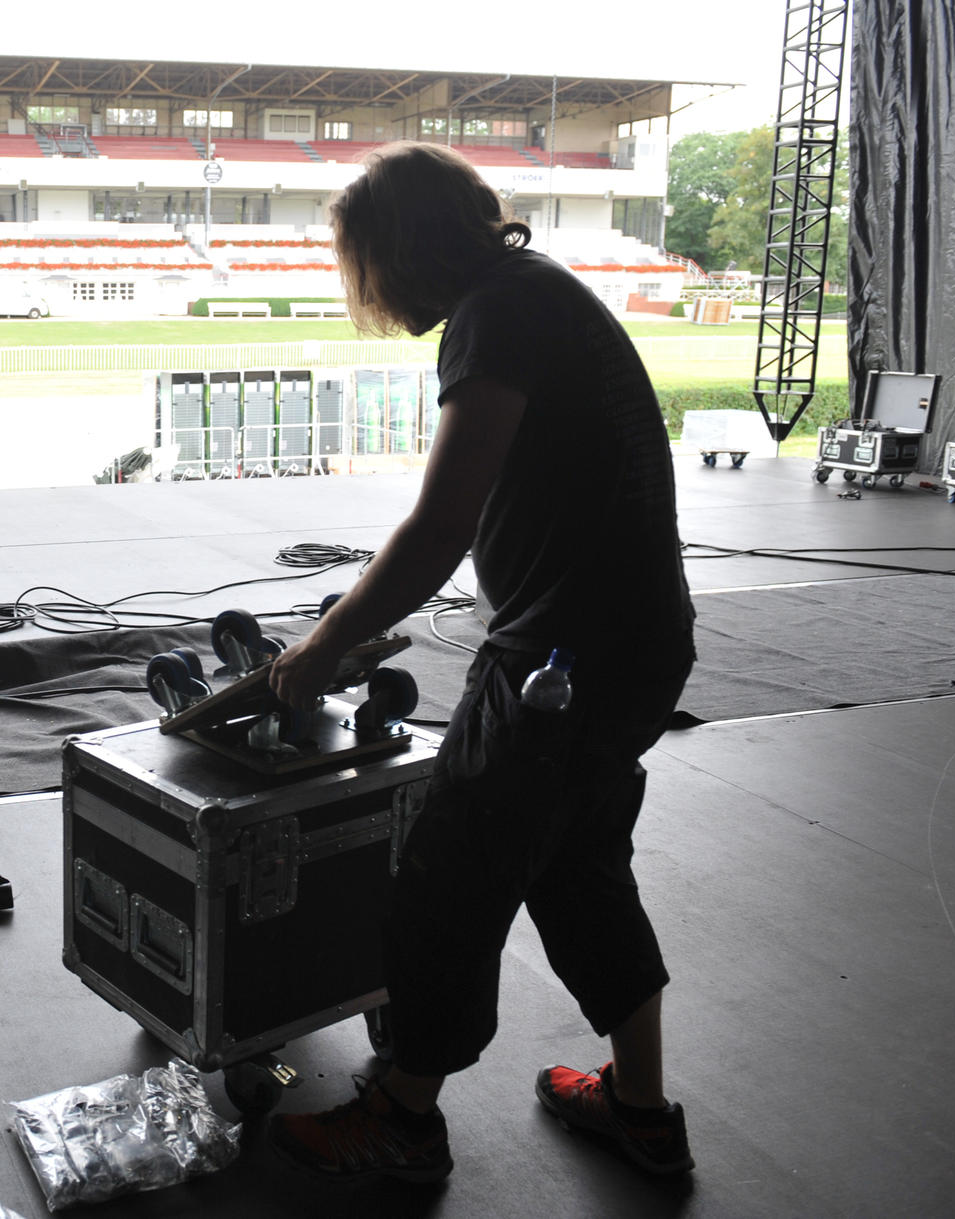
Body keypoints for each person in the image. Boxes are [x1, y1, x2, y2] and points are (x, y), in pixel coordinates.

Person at [265, 143, 697, 1183]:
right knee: (580, 865)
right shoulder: (534, 293)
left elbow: (442, 520)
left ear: (400, 250)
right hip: (632, 645)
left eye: (362, 262)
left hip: (565, 661)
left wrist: (324, 644)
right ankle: (639, 1108)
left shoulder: (497, 316)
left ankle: (401, 1121)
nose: (365, 288)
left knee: (449, 874)